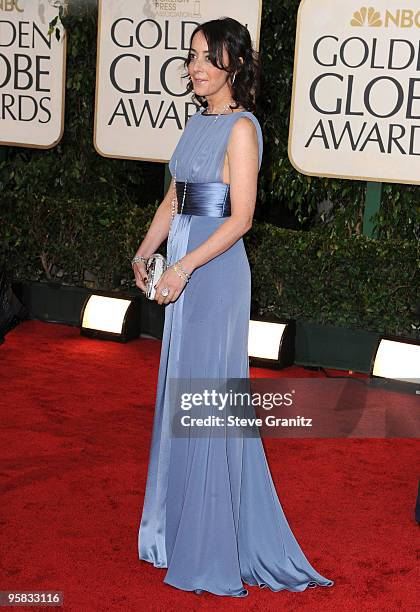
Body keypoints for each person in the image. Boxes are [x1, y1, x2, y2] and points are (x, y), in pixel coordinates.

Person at [132, 17, 334, 598]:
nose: (193, 68)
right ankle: (178, 527)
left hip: (213, 275)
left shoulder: (242, 129)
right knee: (181, 393)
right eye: (191, 57)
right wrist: (146, 250)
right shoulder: (197, 121)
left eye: (205, 59)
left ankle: (213, 540)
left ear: (236, 67)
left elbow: (241, 217)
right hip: (180, 267)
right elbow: (175, 196)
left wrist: (183, 266)